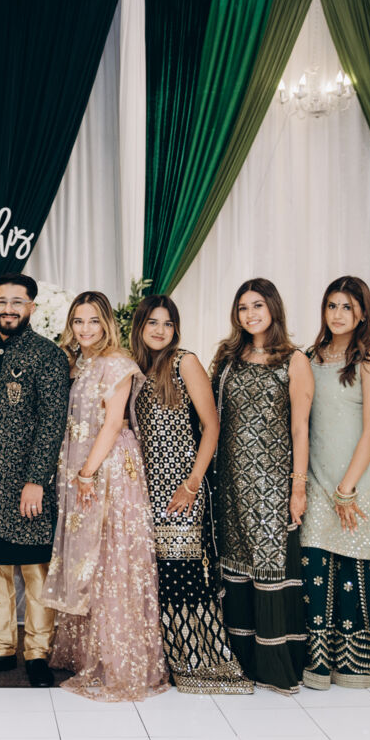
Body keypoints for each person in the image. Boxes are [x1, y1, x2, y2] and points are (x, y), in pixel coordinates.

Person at [44, 291, 168, 701]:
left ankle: (119, 661)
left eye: (93, 320)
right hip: (82, 466)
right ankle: (89, 653)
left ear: (107, 324)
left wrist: (87, 473)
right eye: (78, 321)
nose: (85, 328)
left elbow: (114, 422)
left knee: (112, 558)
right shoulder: (79, 363)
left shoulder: (117, 363)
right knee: (90, 560)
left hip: (109, 467)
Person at [131, 294, 252, 695]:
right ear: (140, 327)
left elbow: (211, 426)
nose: (160, 330)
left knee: (182, 574)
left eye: (167, 323)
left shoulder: (184, 362)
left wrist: (193, 483)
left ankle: (199, 660)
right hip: (143, 490)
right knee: (156, 577)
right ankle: (165, 660)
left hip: (181, 488)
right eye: (153, 322)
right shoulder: (135, 368)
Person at [302, 277, 370, 689]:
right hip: (316, 478)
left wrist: (346, 488)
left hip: (356, 479)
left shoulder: (369, 359)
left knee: (354, 568)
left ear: (363, 313)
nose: (338, 314)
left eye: (347, 306)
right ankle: (317, 667)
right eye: (332, 305)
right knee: (315, 567)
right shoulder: (309, 358)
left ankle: (360, 666)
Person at [0, 273, 70, 688]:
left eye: (17, 302)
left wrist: (36, 480)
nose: (8, 309)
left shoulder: (48, 355)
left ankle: (38, 654)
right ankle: (1, 649)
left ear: (31, 308)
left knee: (35, 570)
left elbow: (52, 422)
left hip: (28, 483)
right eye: (1, 301)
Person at [210, 278, 313, 695]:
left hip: (272, 483)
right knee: (234, 566)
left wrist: (298, 487)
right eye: (243, 307)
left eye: (257, 305)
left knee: (268, 566)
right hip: (229, 480)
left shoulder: (294, 360)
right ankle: (241, 663)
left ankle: (274, 667)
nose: (250, 314)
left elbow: (301, 427)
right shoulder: (228, 357)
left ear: (273, 308)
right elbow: (213, 418)